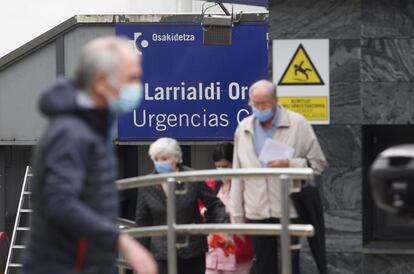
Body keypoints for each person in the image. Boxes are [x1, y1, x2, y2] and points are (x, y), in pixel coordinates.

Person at [23, 37, 157, 274]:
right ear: (102, 81)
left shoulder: (91, 127)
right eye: (132, 79)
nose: (138, 86)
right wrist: (121, 240)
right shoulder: (71, 133)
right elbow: (60, 203)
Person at [229, 80, 327, 274]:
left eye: (263, 103)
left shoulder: (297, 124)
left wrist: (289, 164)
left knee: (290, 265)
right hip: (256, 209)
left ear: (275, 100)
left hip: (288, 207)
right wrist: (236, 217)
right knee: (264, 265)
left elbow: (318, 164)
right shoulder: (244, 128)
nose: (258, 108)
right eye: (254, 103)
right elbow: (237, 173)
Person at [136, 137, 226, 274]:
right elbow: (142, 223)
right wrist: (141, 256)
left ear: (177, 157)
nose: (160, 163)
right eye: (156, 159)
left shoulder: (192, 177)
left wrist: (214, 231)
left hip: (192, 251)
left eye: (164, 158)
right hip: (161, 254)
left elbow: (215, 205)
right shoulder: (146, 184)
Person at [205, 142, 254, 274]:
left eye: (225, 166)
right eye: (217, 167)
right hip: (213, 249)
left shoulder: (245, 185)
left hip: (237, 249)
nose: (221, 170)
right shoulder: (210, 184)